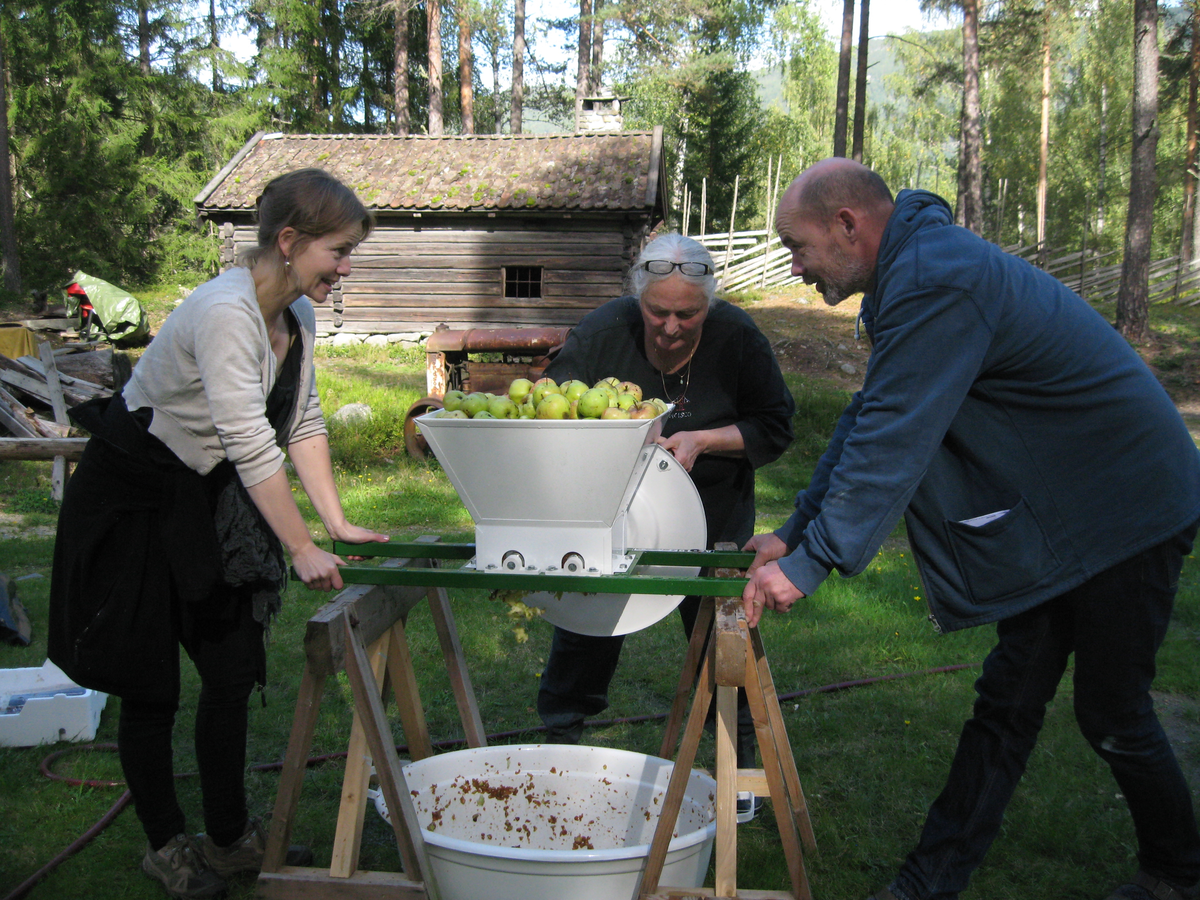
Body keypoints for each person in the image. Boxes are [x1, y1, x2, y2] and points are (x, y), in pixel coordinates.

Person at [741, 157, 1200, 900]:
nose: (794, 267)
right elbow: (870, 416)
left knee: (1112, 709)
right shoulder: (915, 275)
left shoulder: (936, 278)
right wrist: (795, 532)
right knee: (1008, 703)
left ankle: (1177, 872)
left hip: (1128, 506)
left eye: (798, 246)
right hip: (1071, 512)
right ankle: (927, 885)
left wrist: (814, 560)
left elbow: (895, 436)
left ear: (848, 226)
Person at [48, 168, 389, 900]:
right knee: (151, 687)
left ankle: (230, 839)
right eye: (339, 250)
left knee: (230, 672)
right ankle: (167, 845)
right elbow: (246, 438)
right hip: (133, 498)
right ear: (290, 241)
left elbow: (302, 422)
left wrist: (335, 522)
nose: (347, 266)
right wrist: (298, 547)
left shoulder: (295, 318)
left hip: (205, 501)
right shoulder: (224, 311)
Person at [537, 232, 795, 789]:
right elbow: (546, 421)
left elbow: (775, 425)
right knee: (586, 625)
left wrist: (703, 440)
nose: (672, 327)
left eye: (689, 314)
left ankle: (742, 770)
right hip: (610, 516)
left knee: (722, 638)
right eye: (658, 312)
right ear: (638, 300)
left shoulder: (739, 339)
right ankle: (556, 750)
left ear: (711, 305)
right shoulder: (604, 333)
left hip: (712, 517)